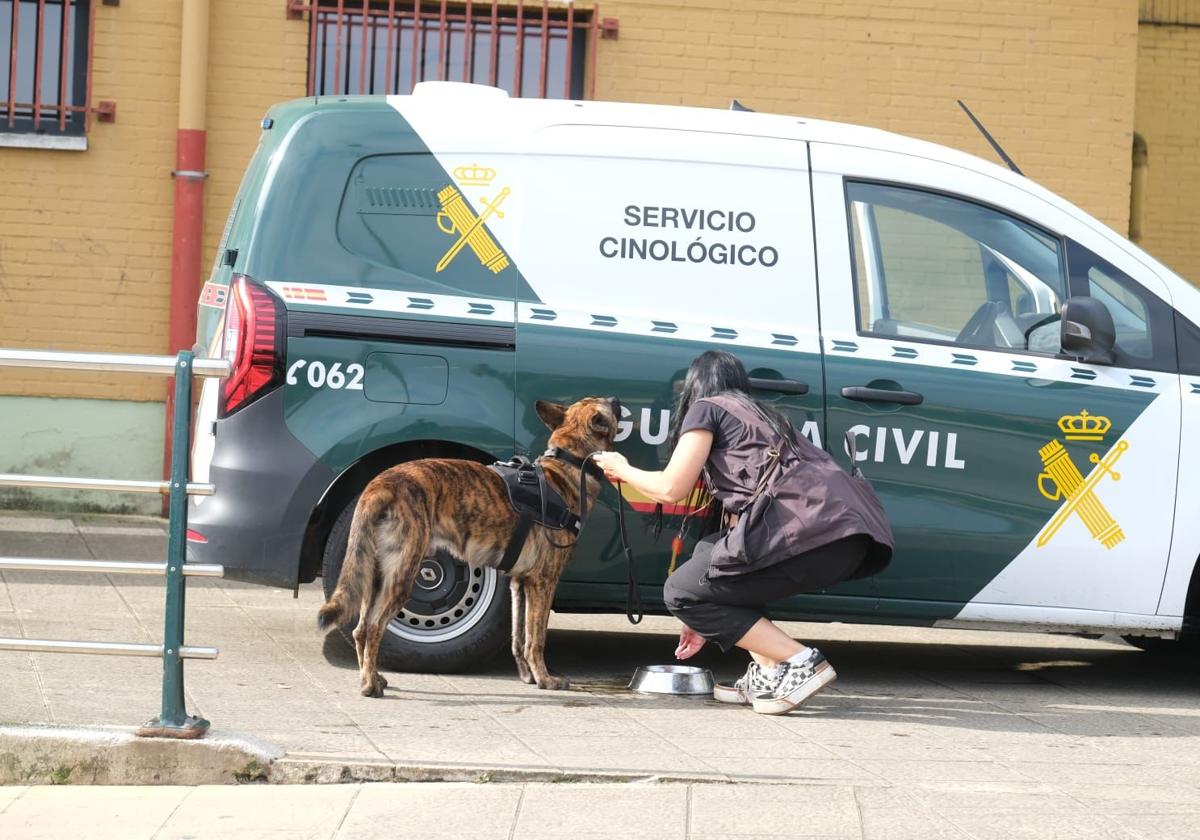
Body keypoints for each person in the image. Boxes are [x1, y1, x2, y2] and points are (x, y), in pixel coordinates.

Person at [592, 350, 893, 714]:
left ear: (695, 386)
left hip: (812, 534)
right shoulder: (766, 418)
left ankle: (799, 661)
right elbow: (733, 552)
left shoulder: (707, 407)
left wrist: (620, 467)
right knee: (710, 551)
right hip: (847, 539)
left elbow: (671, 488)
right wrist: (712, 613)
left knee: (679, 592)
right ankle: (768, 670)